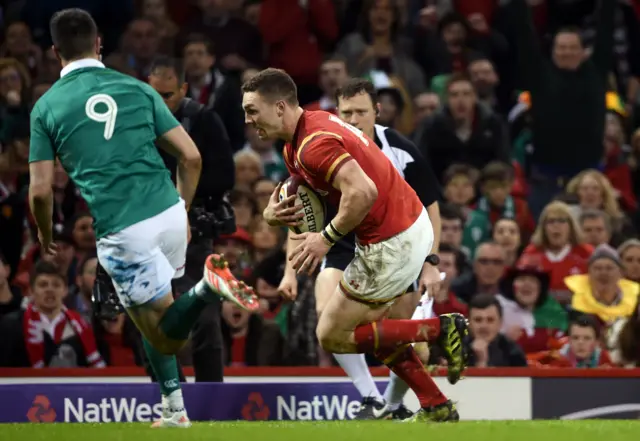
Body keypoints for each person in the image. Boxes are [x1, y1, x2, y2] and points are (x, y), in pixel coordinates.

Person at [28, 9, 258, 428]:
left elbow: (41, 190)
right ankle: (174, 409)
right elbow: (190, 157)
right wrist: (182, 210)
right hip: (169, 211)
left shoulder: (46, 107)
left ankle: (209, 287)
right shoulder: (138, 88)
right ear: (99, 45)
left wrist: (45, 234)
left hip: (122, 228)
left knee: (165, 332)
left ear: (55, 52)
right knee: (146, 314)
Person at [242, 68, 469, 423]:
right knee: (378, 332)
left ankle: (441, 329)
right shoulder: (307, 131)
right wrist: (273, 214)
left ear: (280, 106)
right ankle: (436, 404)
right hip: (407, 226)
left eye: (253, 109)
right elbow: (302, 190)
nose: (247, 119)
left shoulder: (314, 143)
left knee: (331, 334)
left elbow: (362, 192)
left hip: (390, 241)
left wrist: (325, 239)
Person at [149, 56, 236, 383]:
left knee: (206, 318)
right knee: (150, 319)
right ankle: (167, 395)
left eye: (168, 96)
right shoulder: (137, 124)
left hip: (194, 234)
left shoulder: (203, 120)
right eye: (155, 95)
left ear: (184, 88)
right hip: (148, 235)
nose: (161, 103)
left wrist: (177, 197)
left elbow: (224, 176)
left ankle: (210, 393)